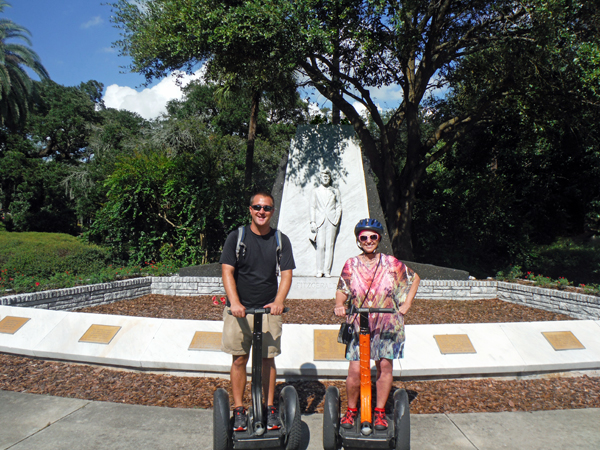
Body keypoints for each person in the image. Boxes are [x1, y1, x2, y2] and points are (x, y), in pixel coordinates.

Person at [333, 218, 420, 430]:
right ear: (358, 240)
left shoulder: (391, 263)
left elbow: (414, 278)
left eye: (373, 237)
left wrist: (407, 303)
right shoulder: (351, 264)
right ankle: (352, 409)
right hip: (359, 322)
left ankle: (379, 411)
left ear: (378, 238)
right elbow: (342, 289)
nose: (369, 240)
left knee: (384, 366)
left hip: (386, 323)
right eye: (364, 237)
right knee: (354, 370)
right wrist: (339, 304)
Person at [219, 191, 295, 432]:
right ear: (250, 210)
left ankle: (270, 407)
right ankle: (240, 409)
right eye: (257, 207)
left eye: (267, 208)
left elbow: (286, 274)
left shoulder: (280, 239)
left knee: (267, 359)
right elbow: (227, 271)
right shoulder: (237, 237)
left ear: (272, 211)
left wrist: (279, 301)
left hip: (268, 311)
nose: (262, 211)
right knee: (239, 358)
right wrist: (235, 303)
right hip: (239, 311)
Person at [309, 169, 342, 277]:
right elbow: (312, 207)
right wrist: (312, 221)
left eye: (328, 177)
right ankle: (320, 270)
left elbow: (338, 206)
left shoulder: (335, 191)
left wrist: (337, 218)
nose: (326, 178)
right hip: (319, 221)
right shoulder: (315, 191)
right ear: (320, 178)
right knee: (321, 246)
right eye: (324, 176)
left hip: (331, 220)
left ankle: (327, 270)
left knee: (330, 246)